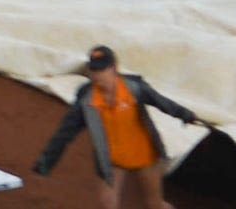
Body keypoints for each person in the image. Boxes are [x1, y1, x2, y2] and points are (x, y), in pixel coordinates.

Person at [34, 45, 214, 209]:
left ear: (114, 68)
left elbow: (161, 102)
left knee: (154, 204)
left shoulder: (134, 88)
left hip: (145, 156)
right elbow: (64, 133)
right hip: (113, 161)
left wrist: (186, 115)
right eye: (94, 70)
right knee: (108, 204)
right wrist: (45, 163)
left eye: (102, 70)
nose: (98, 76)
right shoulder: (87, 101)